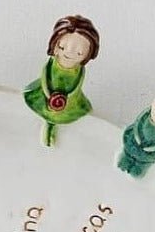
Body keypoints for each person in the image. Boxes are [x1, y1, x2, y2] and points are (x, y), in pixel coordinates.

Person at [23, 14, 100, 147]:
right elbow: (45, 78)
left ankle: (50, 136)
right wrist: (50, 96)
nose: (69, 53)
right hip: (43, 97)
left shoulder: (79, 71)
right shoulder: (50, 65)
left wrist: (66, 99)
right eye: (62, 47)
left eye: (79, 52)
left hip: (70, 103)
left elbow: (77, 86)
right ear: (54, 45)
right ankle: (48, 134)